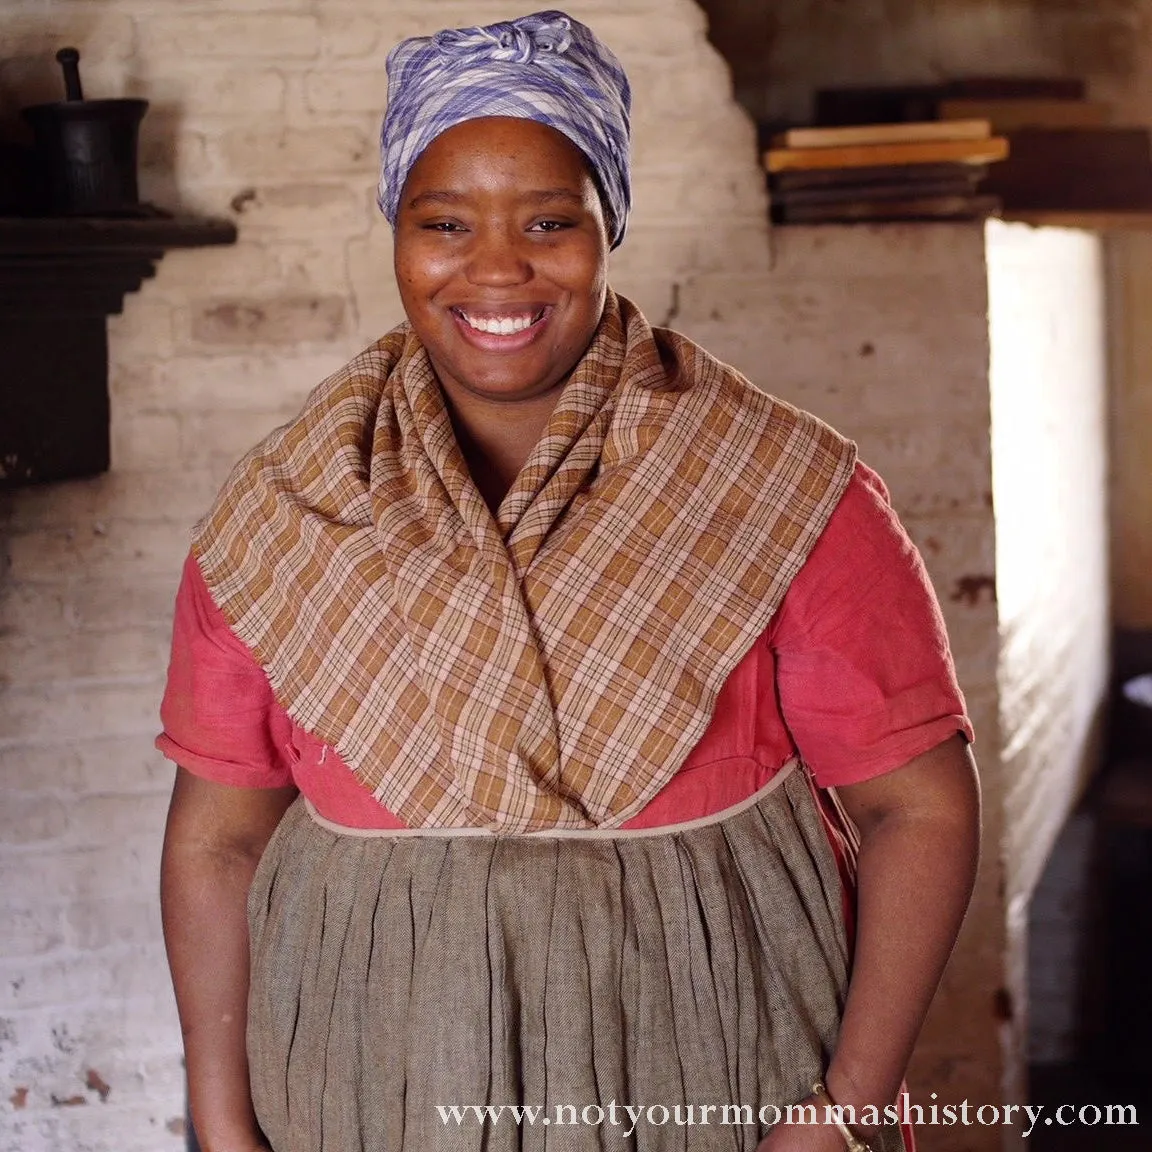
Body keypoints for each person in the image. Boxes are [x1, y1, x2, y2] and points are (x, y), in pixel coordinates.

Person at [158, 11, 980, 1152]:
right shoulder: (286, 510)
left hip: (715, 1069)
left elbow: (920, 810)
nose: (497, 267)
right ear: (395, 230)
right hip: (366, 1084)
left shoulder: (780, 490)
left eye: (551, 220)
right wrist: (217, 1116)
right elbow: (218, 842)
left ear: (610, 225)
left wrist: (845, 1111)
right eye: (443, 222)